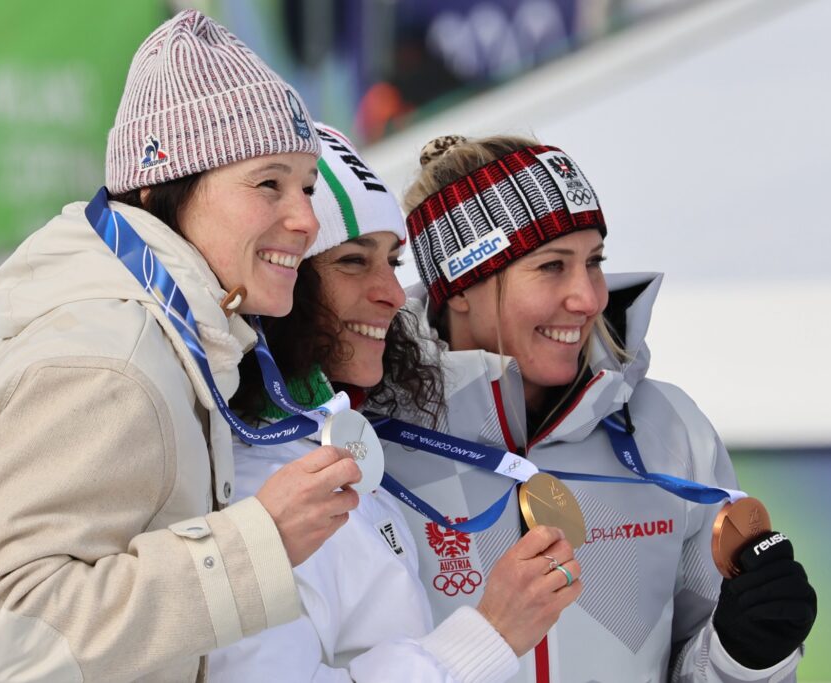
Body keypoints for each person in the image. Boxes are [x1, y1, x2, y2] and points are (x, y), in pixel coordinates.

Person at [0, 11, 362, 681]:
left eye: (307, 187)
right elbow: (3, 636)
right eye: (268, 183)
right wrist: (257, 545)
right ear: (165, 188)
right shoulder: (116, 362)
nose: (307, 219)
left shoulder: (166, 341)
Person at [381, 134, 818, 682]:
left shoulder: (667, 430)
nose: (589, 298)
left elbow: (700, 663)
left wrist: (747, 656)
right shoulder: (370, 446)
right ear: (461, 288)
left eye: (593, 262)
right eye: (551, 266)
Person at [210, 124, 581, 683]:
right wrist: (490, 635)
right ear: (283, 277)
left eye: (393, 262)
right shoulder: (255, 479)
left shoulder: (331, 437)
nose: (391, 293)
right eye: (353, 261)